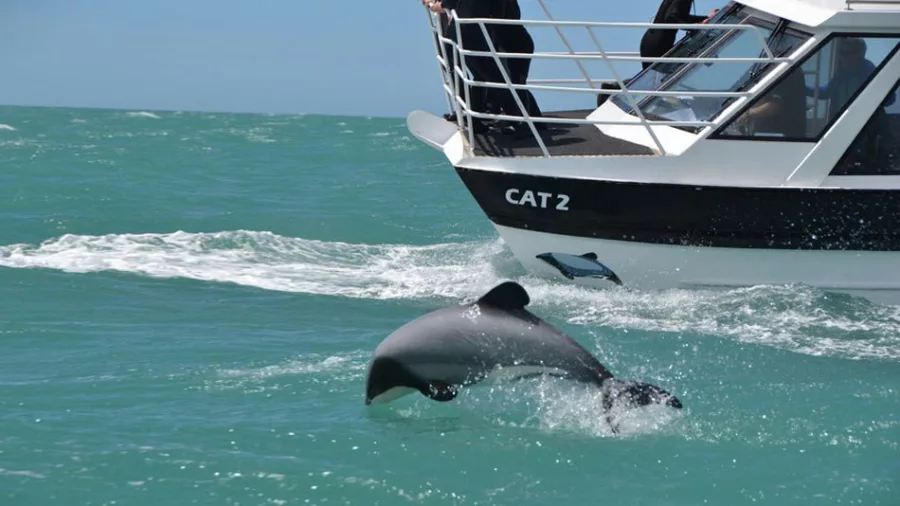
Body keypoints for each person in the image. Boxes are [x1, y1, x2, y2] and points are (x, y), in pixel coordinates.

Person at [425, 0, 543, 133]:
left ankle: (476, 120)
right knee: (496, 79)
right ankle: (519, 124)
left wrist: (439, 5)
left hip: (467, 33)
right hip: (468, 33)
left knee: (489, 78)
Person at [596, 0, 718, 107]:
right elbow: (673, 16)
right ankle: (613, 88)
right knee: (652, 78)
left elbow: (677, 15)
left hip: (652, 39)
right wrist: (696, 25)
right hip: (659, 43)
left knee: (651, 78)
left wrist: (703, 18)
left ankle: (613, 88)